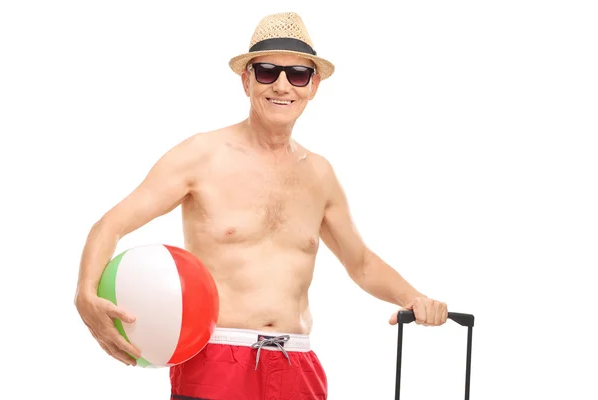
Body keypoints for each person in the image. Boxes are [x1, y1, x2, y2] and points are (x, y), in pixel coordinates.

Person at [74, 11, 448, 400]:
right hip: (215, 359)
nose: (282, 86)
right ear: (246, 80)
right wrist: (85, 293)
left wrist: (414, 298)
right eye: (268, 71)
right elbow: (110, 224)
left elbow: (362, 263)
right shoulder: (201, 155)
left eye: (298, 75)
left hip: (298, 365)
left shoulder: (320, 174)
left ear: (313, 85)